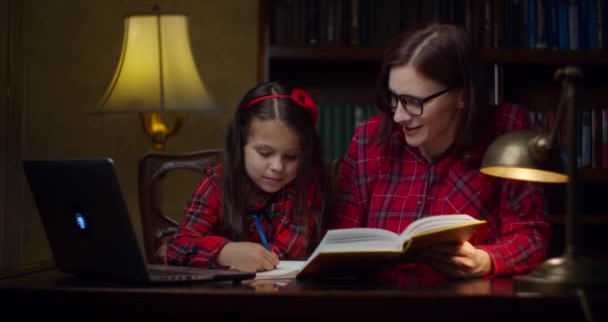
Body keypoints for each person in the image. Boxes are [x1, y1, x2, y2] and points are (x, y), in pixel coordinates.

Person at [328, 23, 551, 278]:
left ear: (462, 95)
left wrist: (486, 260)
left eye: (413, 102)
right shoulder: (369, 139)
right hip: (381, 302)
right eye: (394, 97)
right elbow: (339, 242)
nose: (399, 116)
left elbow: (531, 236)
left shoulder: (507, 131)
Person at [167, 81, 331, 273]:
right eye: (264, 152)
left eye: (291, 156)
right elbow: (177, 247)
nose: (277, 166)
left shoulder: (305, 186)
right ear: (240, 145)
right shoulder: (217, 182)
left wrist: (208, 251)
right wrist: (225, 252)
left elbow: (286, 253)